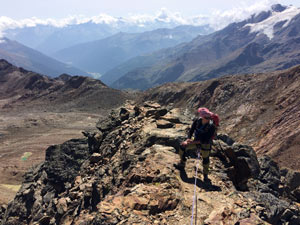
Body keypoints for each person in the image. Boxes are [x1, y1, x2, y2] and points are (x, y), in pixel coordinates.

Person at [176, 107, 216, 182]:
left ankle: (205, 175)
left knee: (205, 158)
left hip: (205, 143)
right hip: (196, 140)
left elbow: (206, 139)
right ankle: (182, 162)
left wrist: (192, 142)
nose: (208, 118)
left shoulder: (211, 127)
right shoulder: (197, 121)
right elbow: (191, 130)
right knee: (182, 146)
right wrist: (188, 139)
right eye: (206, 117)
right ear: (202, 116)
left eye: (209, 117)